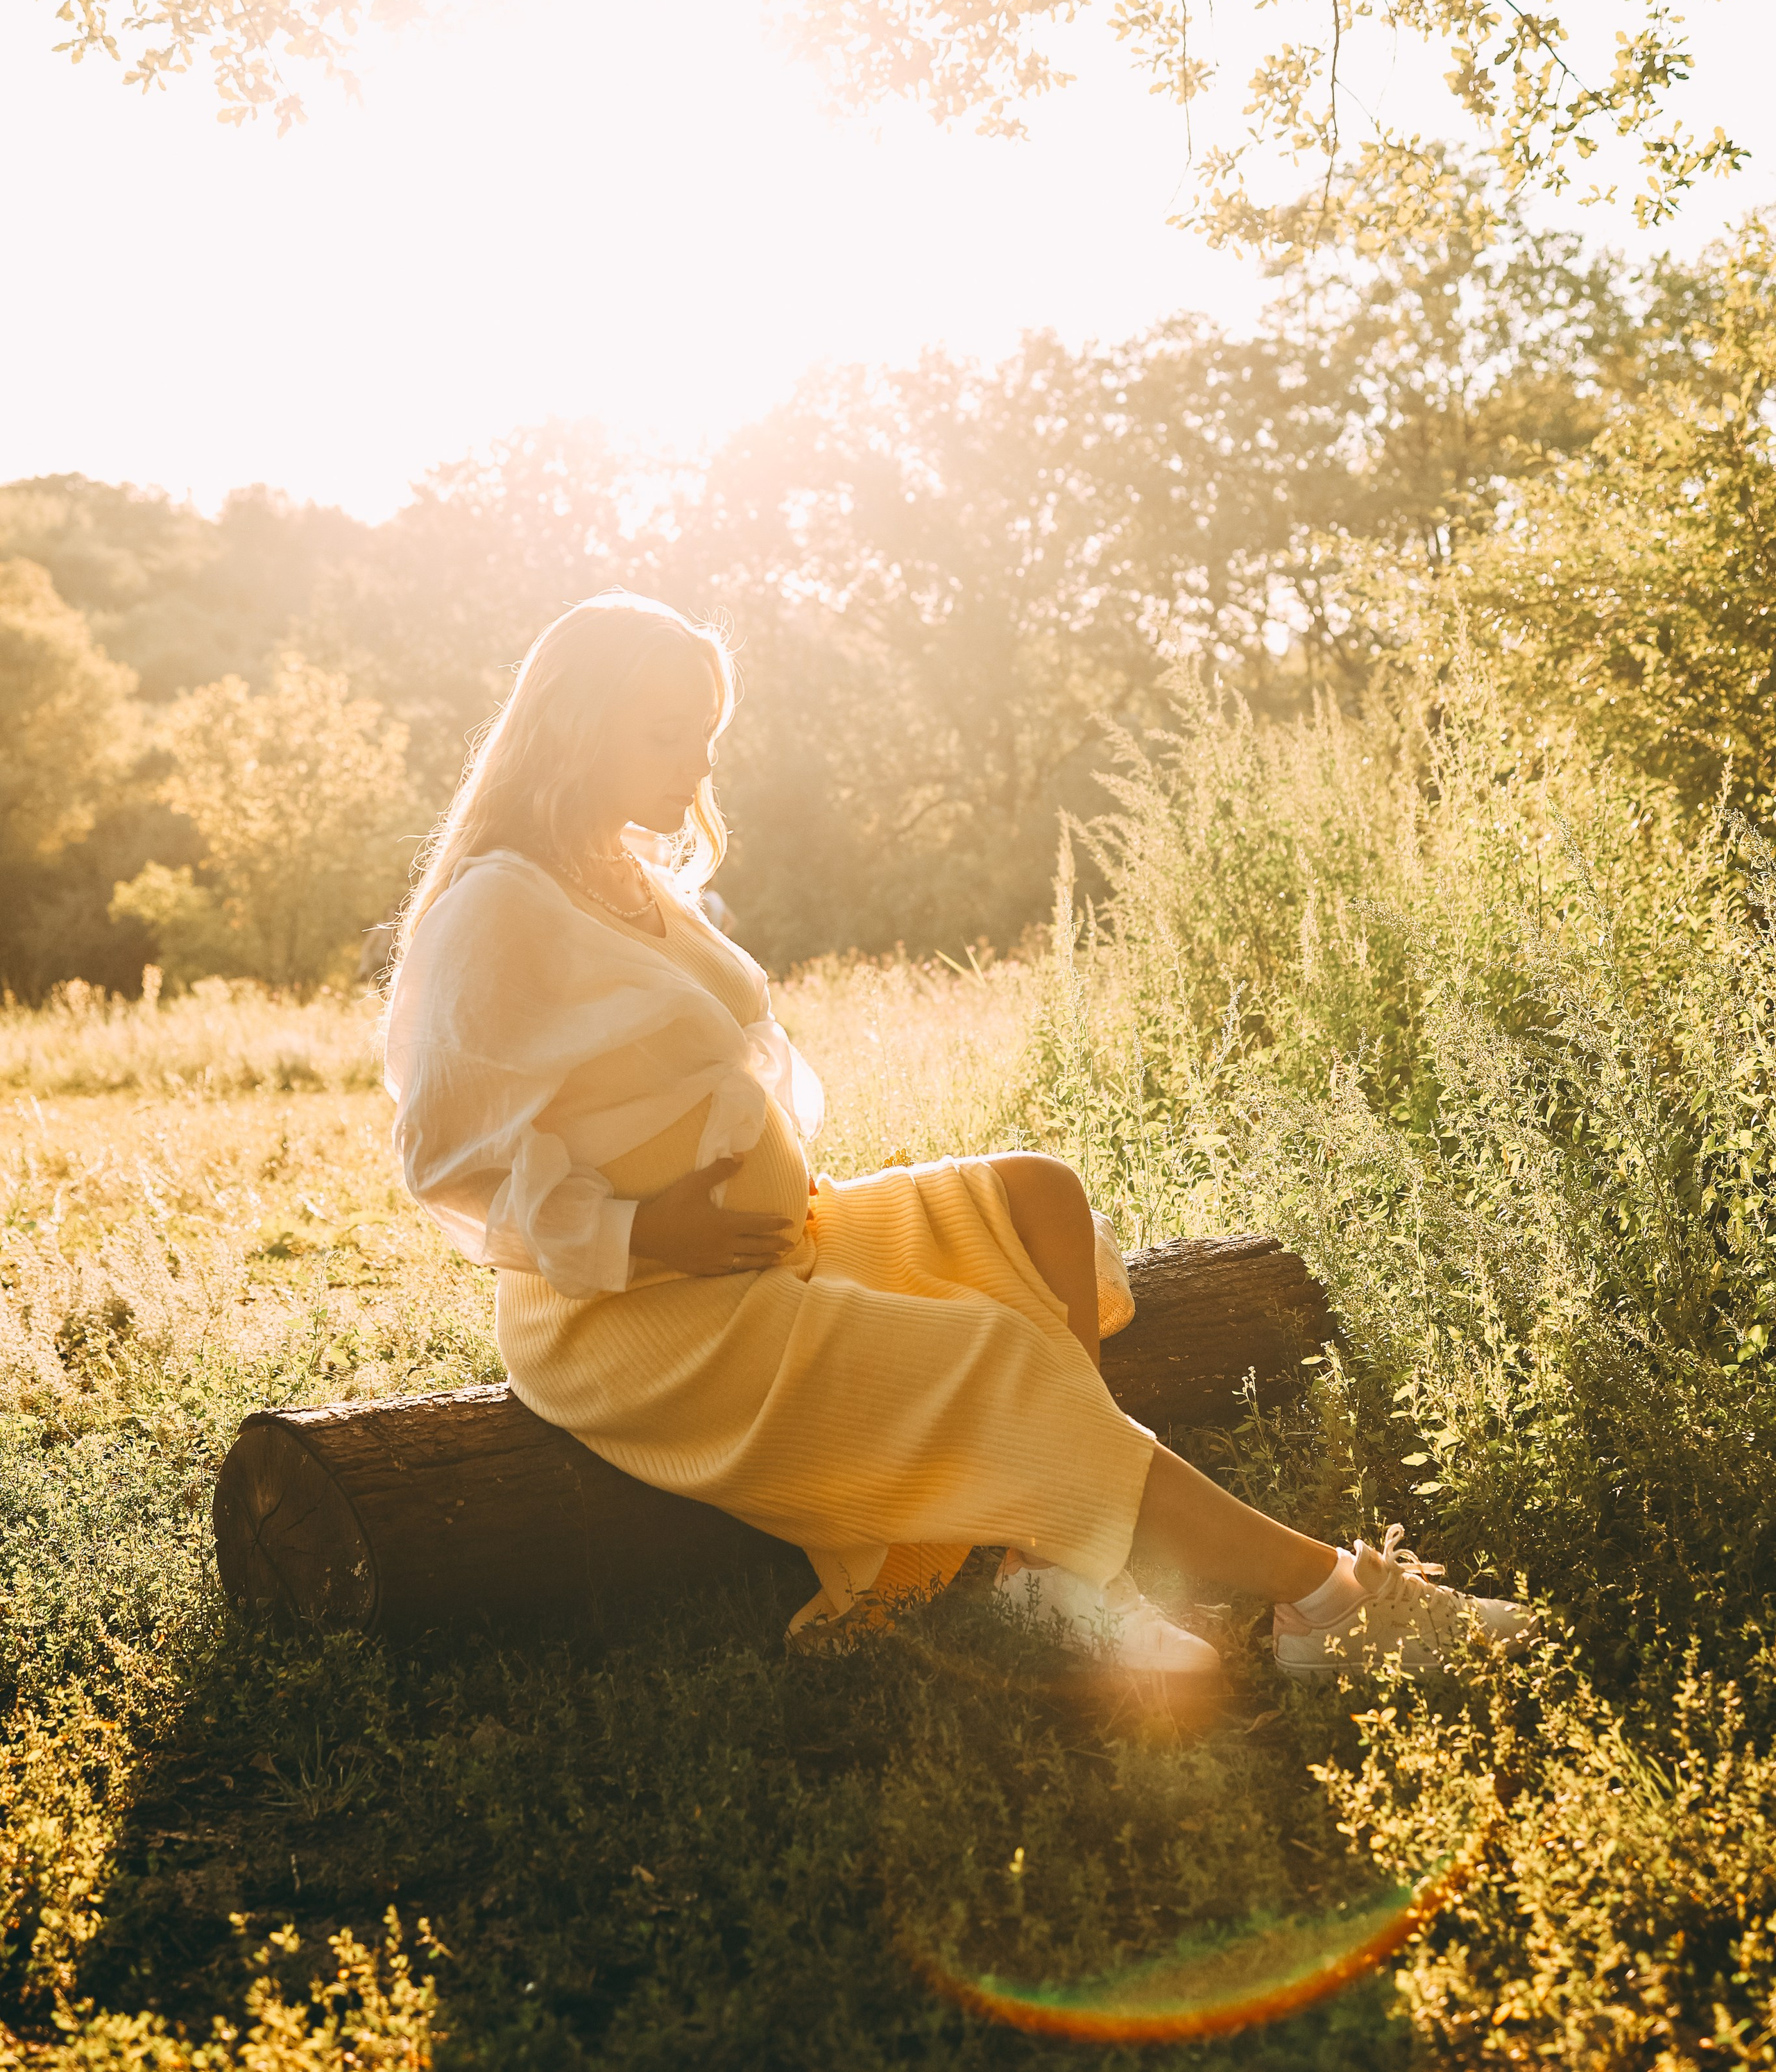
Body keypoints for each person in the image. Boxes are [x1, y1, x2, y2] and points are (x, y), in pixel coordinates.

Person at [384, 592, 1535, 1688]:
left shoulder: (626, 873)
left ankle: (1042, 1557)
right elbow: (447, 1162)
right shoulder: (499, 904)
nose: (697, 767)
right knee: (1002, 1357)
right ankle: (1328, 1602)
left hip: (759, 1250)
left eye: (707, 736)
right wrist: (644, 1230)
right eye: (665, 735)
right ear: (576, 729)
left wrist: (768, 1185)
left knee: (1040, 1198)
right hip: (634, 1315)